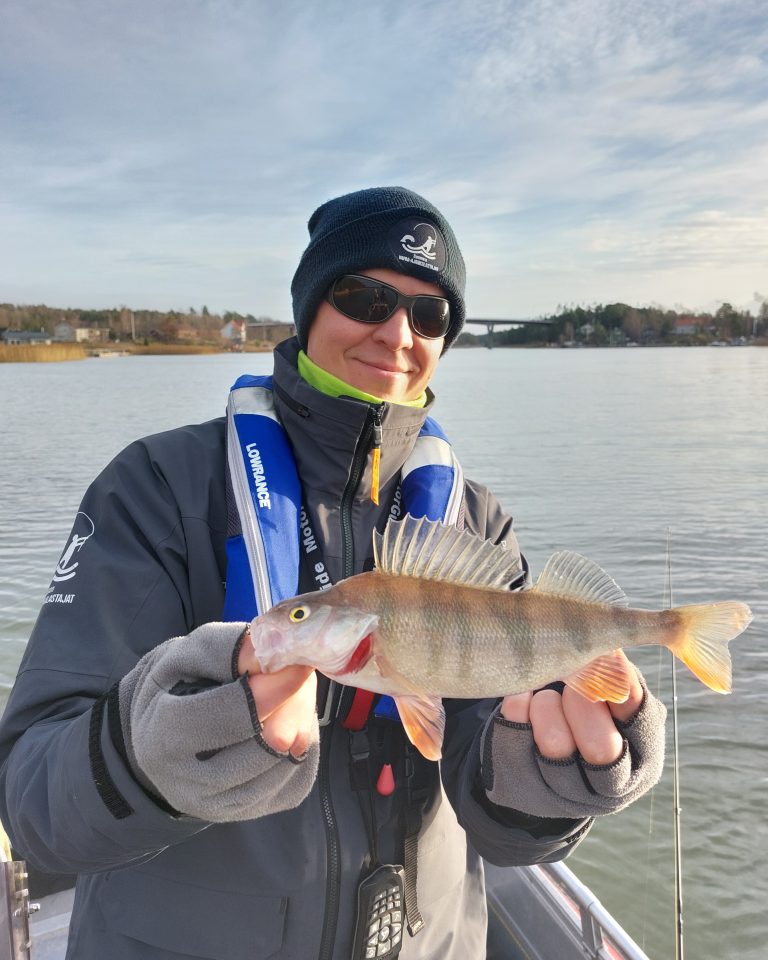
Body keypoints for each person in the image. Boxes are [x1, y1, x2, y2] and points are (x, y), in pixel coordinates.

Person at [0, 187, 666, 960]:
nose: (397, 333)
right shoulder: (158, 487)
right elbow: (31, 801)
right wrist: (156, 749)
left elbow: (499, 812)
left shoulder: (477, 522)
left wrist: (556, 778)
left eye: (430, 314)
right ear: (311, 305)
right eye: (365, 296)